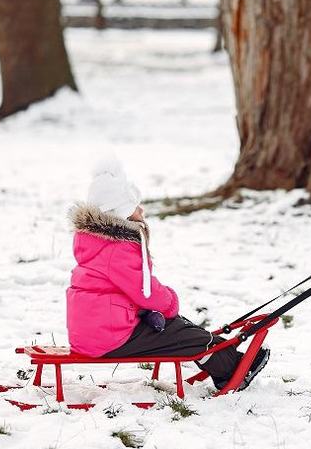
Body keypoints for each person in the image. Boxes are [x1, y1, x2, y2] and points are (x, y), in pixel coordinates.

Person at [66, 157, 268, 392]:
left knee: (180, 330)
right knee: (187, 336)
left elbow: (119, 290)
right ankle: (232, 371)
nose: (142, 210)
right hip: (110, 337)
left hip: (93, 332)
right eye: (134, 206)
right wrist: (170, 304)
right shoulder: (118, 246)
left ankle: (228, 360)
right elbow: (146, 292)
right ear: (120, 213)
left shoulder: (95, 242)